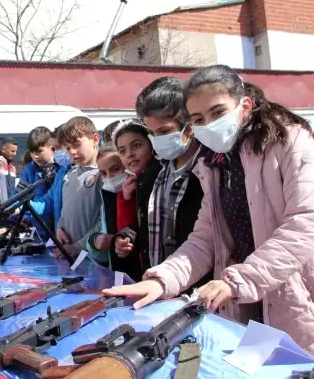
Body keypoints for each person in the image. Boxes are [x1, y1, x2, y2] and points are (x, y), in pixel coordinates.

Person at [104, 64, 314, 358]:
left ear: (244, 105)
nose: (208, 124)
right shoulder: (214, 165)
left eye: (218, 112)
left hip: (304, 298)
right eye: (198, 119)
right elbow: (204, 239)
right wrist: (162, 280)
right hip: (248, 302)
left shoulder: (290, 142)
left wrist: (238, 280)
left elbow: (307, 223)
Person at [131, 77, 211, 289]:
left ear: (190, 125)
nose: (157, 139)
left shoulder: (211, 170)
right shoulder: (154, 172)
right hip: (160, 285)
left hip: (200, 288)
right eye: (153, 133)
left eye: (165, 131)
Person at [107, 119, 160, 280]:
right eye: (122, 151)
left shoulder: (161, 177)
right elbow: (132, 227)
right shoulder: (132, 183)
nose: (129, 154)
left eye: (136, 145)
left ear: (151, 143)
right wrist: (123, 240)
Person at [54, 116, 103, 259]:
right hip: (70, 255)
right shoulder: (71, 175)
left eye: (77, 144)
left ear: (95, 139)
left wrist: (79, 246)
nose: (72, 152)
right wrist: (59, 227)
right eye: (68, 148)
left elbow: (104, 221)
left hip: (94, 257)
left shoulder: (104, 174)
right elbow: (65, 210)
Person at [17, 126, 64, 240]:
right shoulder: (30, 169)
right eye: (32, 152)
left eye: (39, 151)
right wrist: (21, 213)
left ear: (52, 148)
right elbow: (18, 194)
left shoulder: (63, 168)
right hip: (40, 231)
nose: (35, 156)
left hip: (61, 230)